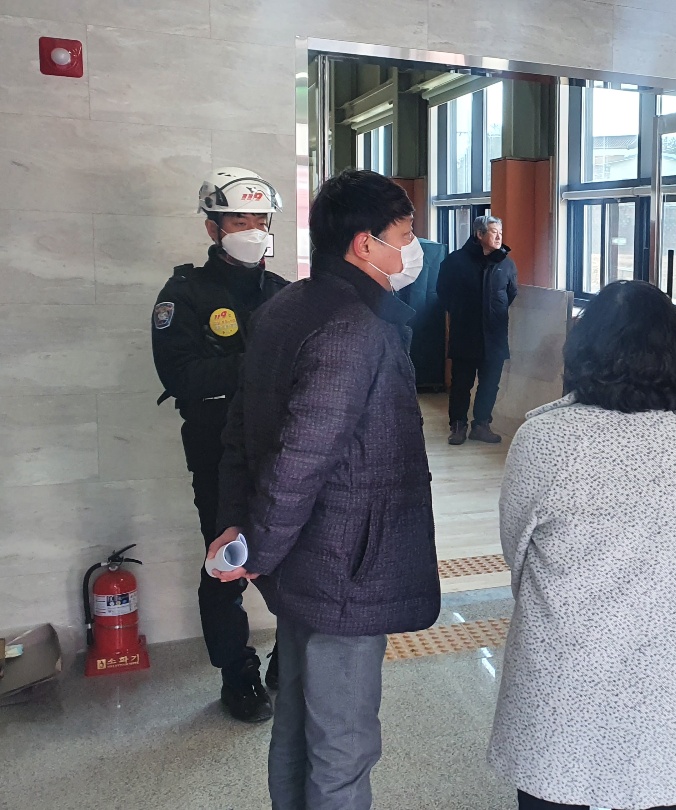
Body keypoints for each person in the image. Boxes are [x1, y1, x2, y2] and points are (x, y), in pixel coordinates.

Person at [212, 169, 439, 810]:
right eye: (405, 235)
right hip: (346, 570)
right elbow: (300, 461)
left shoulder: (287, 306)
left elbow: (242, 432)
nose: (412, 249)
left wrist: (241, 529)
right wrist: (257, 549)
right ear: (365, 244)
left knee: (295, 724)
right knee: (343, 746)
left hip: (306, 563)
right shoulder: (354, 329)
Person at [488, 280, 676, 810]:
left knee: (555, 786)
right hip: (660, 675)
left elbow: (516, 551)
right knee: (656, 787)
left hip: (561, 670)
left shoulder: (545, 439)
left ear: (582, 349)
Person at [151, 167, 288, 723]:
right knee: (224, 560)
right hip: (215, 451)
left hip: (282, 453)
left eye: (260, 219)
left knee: (291, 555)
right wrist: (259, 366)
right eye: (238, 220)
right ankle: (237, 672)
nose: (252, 229)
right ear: (213, 228)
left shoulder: (284, 294)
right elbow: (182, 377)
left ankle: (288, 659)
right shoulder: (183, 295)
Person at [437, 214, 519, 445]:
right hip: (465, 333)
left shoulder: (506, 263)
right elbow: (443, 293)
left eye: (500, 232)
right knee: (461, 383)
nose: (499, 237)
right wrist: (462, 311)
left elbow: (511, 293)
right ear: (479, 234)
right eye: (494, 232)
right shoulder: (455, 262)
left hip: (494, 336)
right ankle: (458, 425)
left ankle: (481, 425)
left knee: (490, 384)